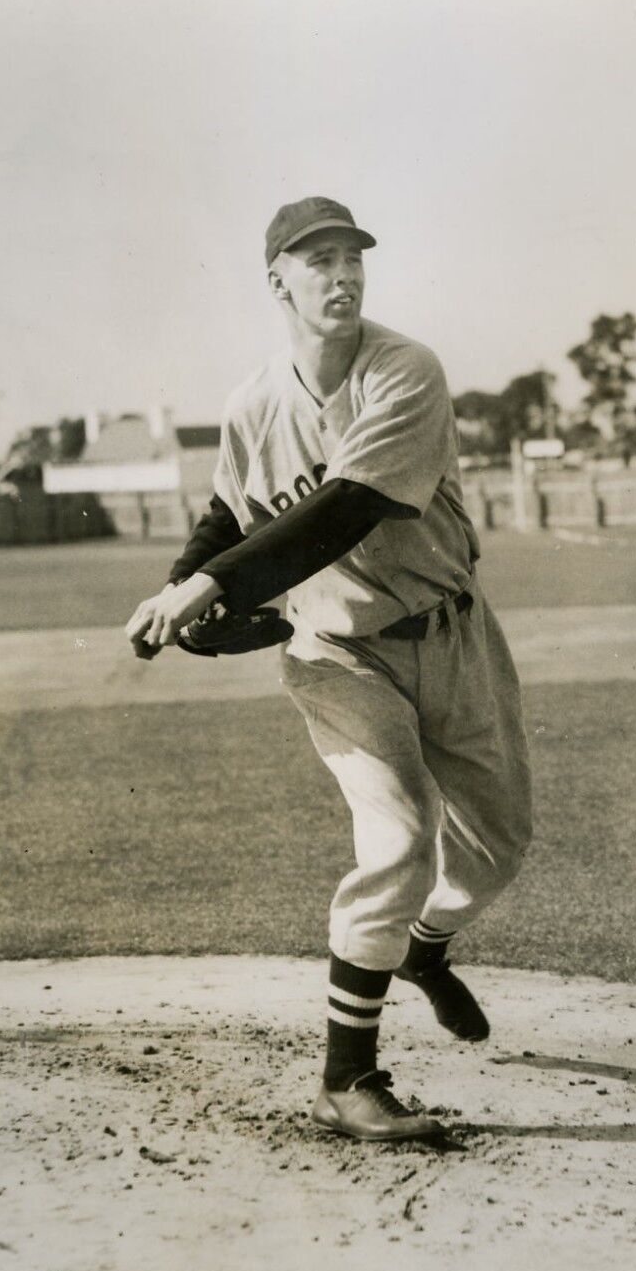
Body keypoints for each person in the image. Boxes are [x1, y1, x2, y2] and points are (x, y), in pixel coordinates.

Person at [126, 196, 532, 1142]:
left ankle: (425, 951)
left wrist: (207, 587)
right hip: (335, 652)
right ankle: (348, 1080)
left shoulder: (406, 371)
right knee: (397, 838)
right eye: (320, 262)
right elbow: (234, 514)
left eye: (353, 258)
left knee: (499, 845)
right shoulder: (251, 404)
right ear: (279, 282)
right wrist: (186, 587)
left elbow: (348, 504)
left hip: (454, 634)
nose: (343, 275)